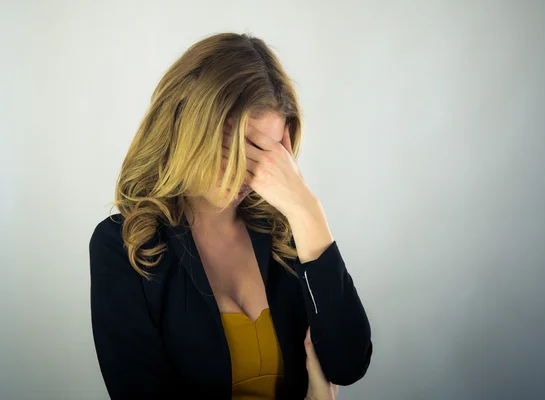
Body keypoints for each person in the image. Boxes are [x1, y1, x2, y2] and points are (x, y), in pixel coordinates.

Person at [89, 32, 372, 400]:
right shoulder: (125, 246)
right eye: (233, 148)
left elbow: (347, 364)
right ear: (188, 129)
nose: (245, 172)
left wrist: (307, 211)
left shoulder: (286, 235)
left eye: (262, 152)